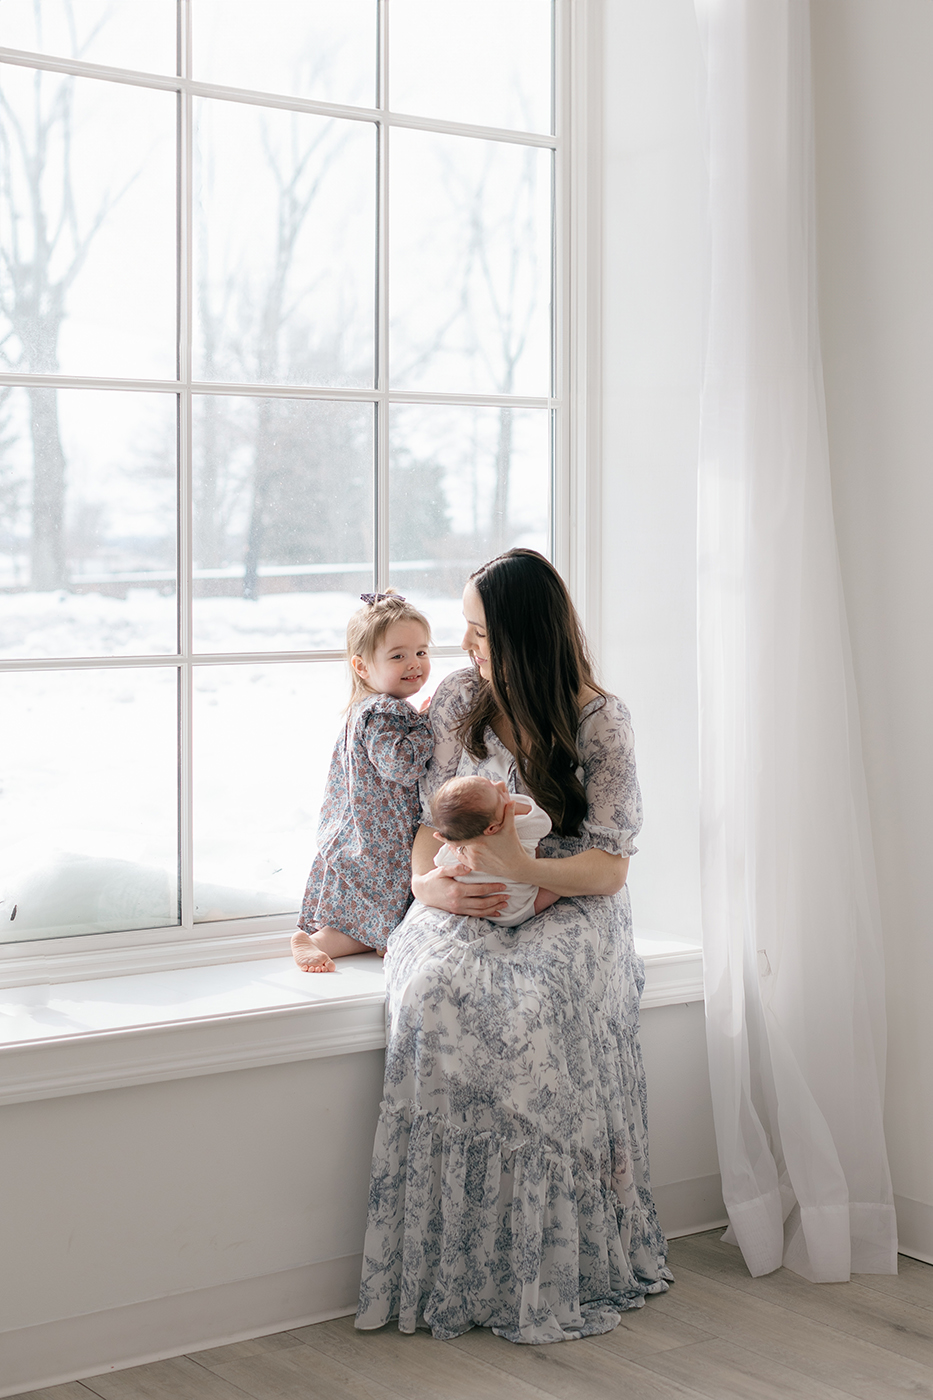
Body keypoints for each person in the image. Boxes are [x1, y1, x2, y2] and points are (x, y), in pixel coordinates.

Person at [356, 549, 672, 1343]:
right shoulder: (462, 700)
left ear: (528, 639)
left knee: (532, 1007)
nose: (465, 650)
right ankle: (459, 1264)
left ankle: (546, 1267)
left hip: (571, 893)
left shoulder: (600, 721)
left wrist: (523, 869)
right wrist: (428, 888)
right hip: (465, 884)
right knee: (432, 992)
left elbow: (609, 865)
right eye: (464, 630)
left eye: (481, 635)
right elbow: (432, 827)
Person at [291, 591, 433, 973]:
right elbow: (401, 765)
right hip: (379, 837)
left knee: (367, 912)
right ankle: (331, 941)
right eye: (398, 655)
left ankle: (326, 942)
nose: (414, 664)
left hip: (362, 827)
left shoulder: (365, 709)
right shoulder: (385, 711)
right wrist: (428, 726)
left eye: (421, 652)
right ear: (362, 666)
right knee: (379, 900)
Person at [430, 774, 557, 925]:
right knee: (559, 883)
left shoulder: (457, 845)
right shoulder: (520, 826)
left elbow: (438, 862)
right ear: (492, 828)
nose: (501, 784)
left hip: (475, 908)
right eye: (498, 793)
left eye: (491, 782)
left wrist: (454, 842)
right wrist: (513, 807)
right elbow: (544, 823)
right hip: (516, 909)